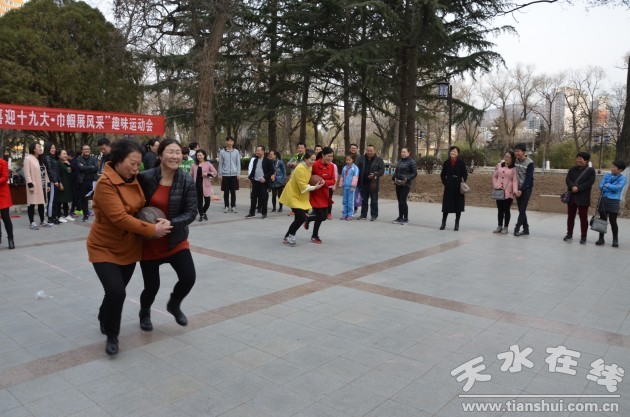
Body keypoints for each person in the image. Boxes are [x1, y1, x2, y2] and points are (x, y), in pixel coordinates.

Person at [87, 139, 171, 356]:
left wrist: (159, 220)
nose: (135, 169)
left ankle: (104, 314)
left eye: (138, 164)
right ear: (117, 160)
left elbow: (145, 205)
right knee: (117, 291)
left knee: (114, 292)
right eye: (131, 164)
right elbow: (120, 218)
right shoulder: (105, 184)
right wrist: (151, 230)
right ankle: (112, 335)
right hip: (104, 247)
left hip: (129, 247)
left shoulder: (135, 179)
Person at [138, 139, 197, 332]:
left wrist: (171, 223)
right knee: (151, 287)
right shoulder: (145, 178)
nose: (175, 156)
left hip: (175, 239)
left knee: (188, 278)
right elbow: (133, 205)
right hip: (150, 242)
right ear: (160, 155)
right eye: (170, 152)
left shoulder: (186, 180)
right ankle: (144, 312)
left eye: (178, 152)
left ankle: (174, 304)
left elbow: (191, 212)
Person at [279, 149, 325, 245]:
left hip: (301, 197)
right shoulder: (300, 169)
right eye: (311, 159)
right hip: (293, 195)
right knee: (302, 217)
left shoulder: (309, 167)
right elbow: (303, 187)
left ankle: (286, 237)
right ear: (305, 159)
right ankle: (291, 235)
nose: (313, 162)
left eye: (314, 160)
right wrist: (315, 187)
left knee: (298, 218)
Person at [563, 151, 596, 243]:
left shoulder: (590, 171)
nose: (578, 160)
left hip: (583, 197)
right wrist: (572, 186)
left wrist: (579, 188)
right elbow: (568, 179)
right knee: (570, 217)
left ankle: (583, 236)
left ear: (586, 160)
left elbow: (590, 182)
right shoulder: (572, 169)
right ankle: (569, 234)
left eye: (580, 159)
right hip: (572, 197)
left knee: (583, 218)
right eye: (577, 158)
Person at [305, 147, 336, 244]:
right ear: (323, 155)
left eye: (332, 156)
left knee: (323, 217)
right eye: (328, 156)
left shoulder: (331, 166)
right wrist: (312, 184)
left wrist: (324, 182)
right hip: (315, 193)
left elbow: (333, 180)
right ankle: (314, 236)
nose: (330, 158)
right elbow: (307, 177)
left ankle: (308, 219)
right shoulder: (315, 164)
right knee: (320, 215)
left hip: (324, 194)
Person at [596, 160, 627, 248]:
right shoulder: (607, 175)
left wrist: (607, 185)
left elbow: (618, 188)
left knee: (613, 221)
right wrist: (610, 187)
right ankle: (601, 239)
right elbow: (601, 186)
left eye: (614, 167)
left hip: (614, 201)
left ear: (620, 170)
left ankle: (615, 240)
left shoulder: (623, 178)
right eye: (612, 166)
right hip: (604, 199)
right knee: (602, 220)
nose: (612, 168)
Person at [439, 146, 467, 231]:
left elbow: (465, 174)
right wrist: (445, 182)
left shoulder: (461, 162)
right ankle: (443, 223)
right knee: (446, 205)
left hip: (458, 187)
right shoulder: (446, 162)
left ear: (458, 153)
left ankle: (457, 224)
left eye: (455, 151)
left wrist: (461, 181)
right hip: (449, 187)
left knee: (458, 206)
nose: (453, 153)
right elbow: (442, 174)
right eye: (452, 151)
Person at [24, 142, 51, 230]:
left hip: (42, 185)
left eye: (40, 147)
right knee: (31, 203)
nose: (40, 148)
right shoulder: (28, 159)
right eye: (39, 147)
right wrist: (30, 185)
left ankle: (42, 221)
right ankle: (32, 222)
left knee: (41, 203)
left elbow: (45, 172)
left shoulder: (40, 159)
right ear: (34, 149)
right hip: (34, 185)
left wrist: (47, 184)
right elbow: (27, 173)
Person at [491, 151, 519, 234]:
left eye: (508, 157)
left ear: (512, 158)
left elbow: (515, 181)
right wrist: (496, 185)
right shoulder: (499, 165)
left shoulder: (514, 169)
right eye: (505, 156)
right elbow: (494, 177)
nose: (506, 158)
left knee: (506, 210)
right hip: (499, 191)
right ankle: (499, 226)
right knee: (500, 210)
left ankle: (505, 227)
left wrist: (515, 191)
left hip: (508, 192)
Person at [356, 144, 385, 221]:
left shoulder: (379, 160)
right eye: (368, 150)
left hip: (373, 184)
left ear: (374, 151)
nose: (369, 152)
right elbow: (357, 169)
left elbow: (382, 171)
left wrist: (375, 174)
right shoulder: (361, 159)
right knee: (364, 201)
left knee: (374, 201)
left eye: (371, 151)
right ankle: (363, 215)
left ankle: (374, 215)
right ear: (366, 150)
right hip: (363, 183)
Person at [246, 145, 274, 219]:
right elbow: (253, 171)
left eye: (258, 150)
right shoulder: (255, 160)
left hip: (263, 183)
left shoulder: (268, 160)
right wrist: (249, 178)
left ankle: (264, 213)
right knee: (253, 197)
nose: (257, 152)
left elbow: (272, 170)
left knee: (264, 198)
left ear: (263, 151)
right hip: (255, 182)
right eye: (256, 150)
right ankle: (252, 212)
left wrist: (265, 177)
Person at [392, 147, 418, 225]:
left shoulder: (412, 162)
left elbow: (414, 173)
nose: (403, 153)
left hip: (406, 184)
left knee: (403, 201)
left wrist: (408, 178)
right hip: (398, 183)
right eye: (402, 152)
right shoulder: (400, 161)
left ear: (408, 153)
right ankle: (400, 217)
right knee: (399, 201)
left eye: (404, 152)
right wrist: (393, 177)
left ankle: (406, 218)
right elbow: (396, 171)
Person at [513, 143, 534, 236]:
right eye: (515, 151)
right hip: (517, 188)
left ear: (523, 152)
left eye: (518, 151)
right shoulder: (515, 160)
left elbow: (528, 178)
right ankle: (526, 229)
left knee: (522, 209)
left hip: (526, 189)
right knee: (521, 209)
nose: (516, 153)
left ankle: (517, 228)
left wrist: (521, 190)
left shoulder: (530, 163)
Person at [191, 149, 217, 222]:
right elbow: (191, 175)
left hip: (206, 185)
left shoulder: (208, 163)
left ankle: (204, 211)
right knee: (199, 202)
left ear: (204, 155)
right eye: (198, 155)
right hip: (196, 186)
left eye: (201, 155)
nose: (199, 157)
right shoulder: (194, 165)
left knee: (207, 202)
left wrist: (207, 174)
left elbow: (214, 172)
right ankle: (201, 215)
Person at [76, 144, 99, 222]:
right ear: (82, 151)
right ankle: (85, 215)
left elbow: (96, 168)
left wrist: (85, 168)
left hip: (93, 181)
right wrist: (91, 167)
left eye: (88, 149)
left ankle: (99, 214)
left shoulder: (94, 158)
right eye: (85, 149)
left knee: (97, 198)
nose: (87, 150)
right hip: (83, 181)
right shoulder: (78, 159)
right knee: (84, 199)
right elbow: (80, 168)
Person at [219, 136, 241, 213]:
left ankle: (233, 206)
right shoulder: (222, 152)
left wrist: (238, 173)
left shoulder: (236, 152)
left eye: (231, 141)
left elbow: (238, 163)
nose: (230, 142)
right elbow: (221, 163)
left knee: (233, 192)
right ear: (226, 142)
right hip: (225, 175)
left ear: (233, 142)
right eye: (228, 141)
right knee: (226, 192)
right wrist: (220, 174)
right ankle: (226, 206)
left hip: (234, 175)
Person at [43, 142, 62, 224]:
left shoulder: (52, 158)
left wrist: (59, 181)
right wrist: (54, 181)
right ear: (48, 149)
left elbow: (56, 171)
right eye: (52, 148)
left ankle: (54, 217)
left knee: (55, 200)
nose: (53, 149)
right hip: (52, 182)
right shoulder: (47, 158)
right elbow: (49, 170)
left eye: (54, 148)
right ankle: (50, 218)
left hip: (55, 182)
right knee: (51, 200)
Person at [55, 149, 75, 222]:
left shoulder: (66, 163)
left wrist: (68, 164)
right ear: (59, 155)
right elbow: (57, 174)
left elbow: (69, 172)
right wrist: (60, 183)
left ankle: (66, 215)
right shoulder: (57, 163)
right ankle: (59, 216)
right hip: (61, 183)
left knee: (65, 200)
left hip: (67, 184)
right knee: (60, 200)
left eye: (66, 154)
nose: (65, 155)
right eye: (63, 154)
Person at [0, 155, 15, 249]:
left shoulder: (3, 163)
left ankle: (10, 238)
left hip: (3, 194)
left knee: (5, 217)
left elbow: (5, 177)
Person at [339, 155, 359, 220]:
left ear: (352, 160)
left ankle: (350, 214)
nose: (347, 161)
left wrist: (353, 186)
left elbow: (355, 177)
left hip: (351, 188)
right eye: (347, 160)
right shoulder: (344, 168)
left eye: (349, 160)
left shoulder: (355, 168)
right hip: (345, 187)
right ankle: (345, 214)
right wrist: (340, 185)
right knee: (345, 201)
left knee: (350, 201)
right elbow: (342, 177)